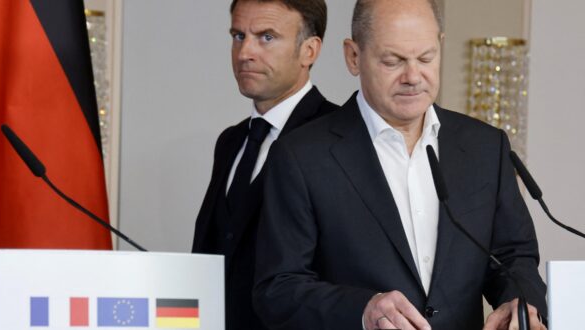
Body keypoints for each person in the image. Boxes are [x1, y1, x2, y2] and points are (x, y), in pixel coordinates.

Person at [253, 0, 547, 329]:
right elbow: (277, 289)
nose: (413, 76)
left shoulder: (486, 147)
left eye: (426, 58)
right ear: (353, 56)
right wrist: (363, 310)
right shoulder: (301, 155)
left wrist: (519, 304)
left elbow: (513, 256)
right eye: (393, 61)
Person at [191, 0, 337, 329]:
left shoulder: (341, 137)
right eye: (239, 36)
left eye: (267, 37)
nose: (245, 53)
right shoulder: (231, 141)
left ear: (310, 51)